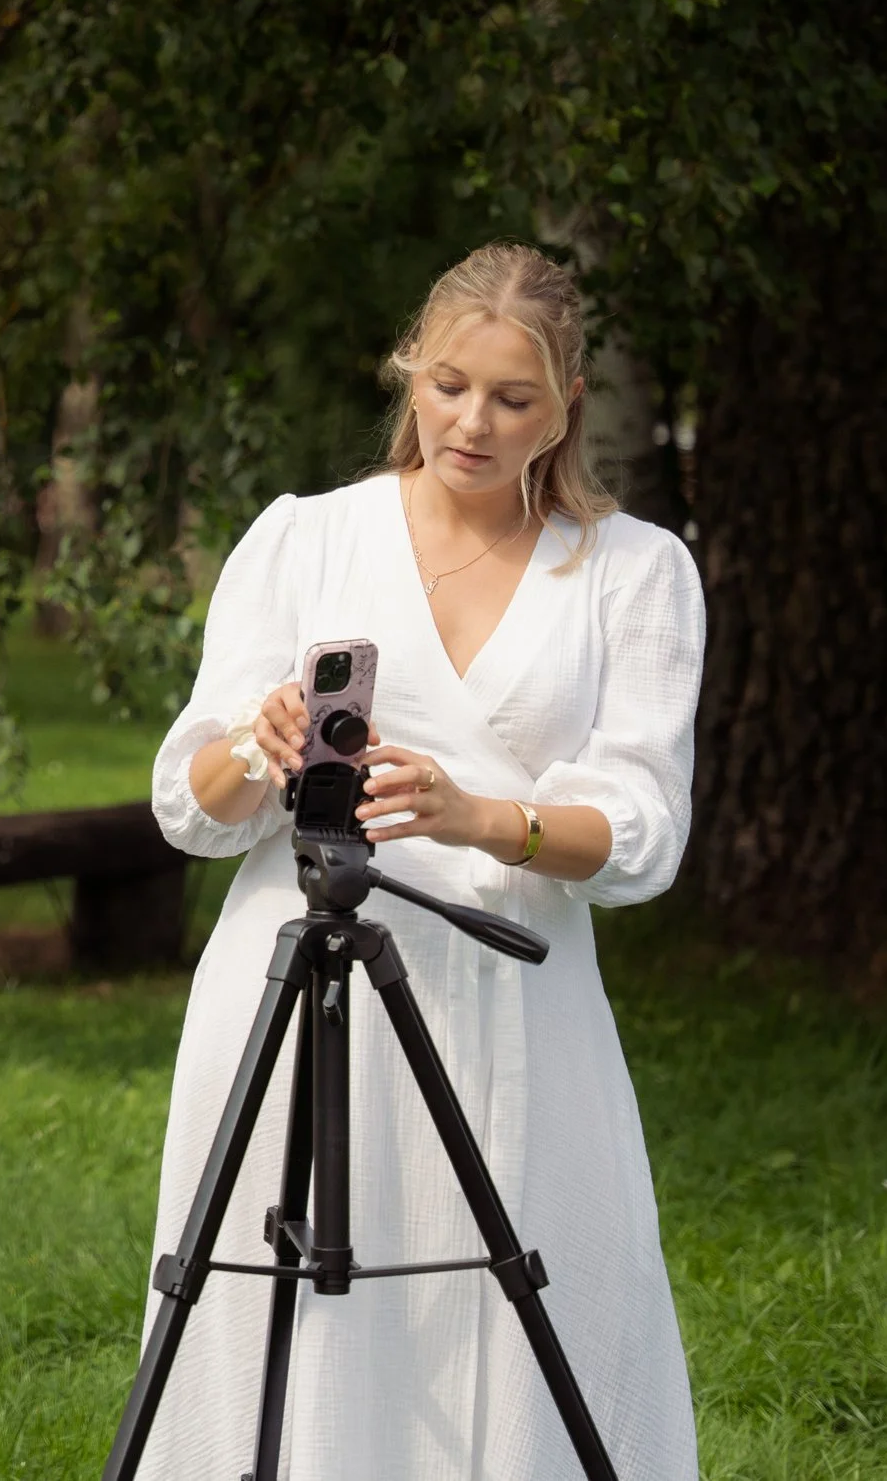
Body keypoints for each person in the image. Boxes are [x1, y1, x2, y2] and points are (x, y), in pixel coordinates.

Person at [141, 242, 704, 1478]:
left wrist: (479, 815)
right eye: (451, 384)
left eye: (514, 398)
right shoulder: (304, 540)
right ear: (410, 368)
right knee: (299, 1315)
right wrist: (259, 740)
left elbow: (645, 831)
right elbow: (189, 806)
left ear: (565, 405)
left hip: (512, 991)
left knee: (527, 1305)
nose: (474, 422)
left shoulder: (631, 571)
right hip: (299, 987)